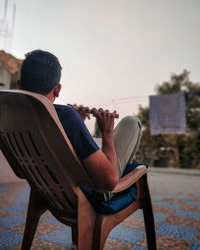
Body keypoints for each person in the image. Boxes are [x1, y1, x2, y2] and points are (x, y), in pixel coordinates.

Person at [17, 49, 142, 202]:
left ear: (19, 86)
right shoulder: (66, 117)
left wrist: (79, 123)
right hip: (88, 193)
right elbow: (108, 181)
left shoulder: (12, 116)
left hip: (46, 188)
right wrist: (107, 133)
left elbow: (25, 170)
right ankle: (119, 185)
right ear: (58, 89)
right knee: (131, 122)